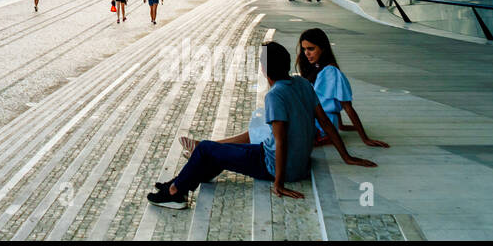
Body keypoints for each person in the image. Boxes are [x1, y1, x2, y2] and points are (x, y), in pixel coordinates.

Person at [146, 42, 376, 208]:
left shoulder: (275, 95)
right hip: (292, 160)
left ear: (265, 69)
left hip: (275, 165)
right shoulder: (303, 84)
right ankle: (180, 180)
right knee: (216, 153)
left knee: (206, 148)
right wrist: (346, 156)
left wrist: (279, 182)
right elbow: (325, 123)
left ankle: (175, 192)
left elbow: (280, 139)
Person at [297, 28, 389, 149]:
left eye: (311, 49)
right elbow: (328, 98)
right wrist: (341, 125)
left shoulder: (331, 72)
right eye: (304, 49)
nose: (306, 53)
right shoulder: (316, 68)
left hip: (321, 128)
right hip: (316, 122)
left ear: (322, 48)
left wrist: (365, 139)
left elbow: (346, 105)